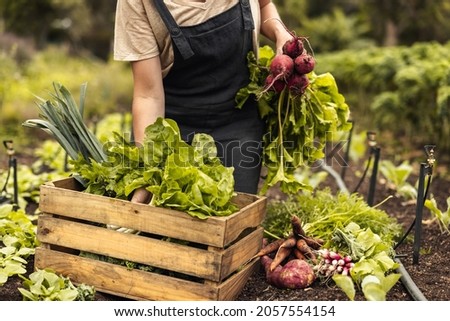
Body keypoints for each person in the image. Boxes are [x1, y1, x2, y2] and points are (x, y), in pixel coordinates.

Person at [114, 0, 292, 201]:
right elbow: (148, 95)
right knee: (164, 226)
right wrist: (148, 169)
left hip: (239, 126)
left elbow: (263, 4)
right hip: (174, 133)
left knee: (233, 221)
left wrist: (280, 32)